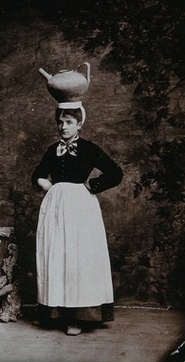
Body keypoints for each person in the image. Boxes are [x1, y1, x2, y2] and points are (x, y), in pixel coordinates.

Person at [31, 103, 123, 336]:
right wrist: (48, 186)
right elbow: (38, 174)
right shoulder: (53, 150)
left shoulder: (89, 149)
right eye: (61, 122)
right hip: (54, 207)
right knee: (56, 254)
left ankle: (78, 317)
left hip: (80, 208)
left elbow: (115, 173)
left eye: (69, 122)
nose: (63, 127)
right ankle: (54, 313)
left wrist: (91, 186)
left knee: (77, 257)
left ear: (79, 124)